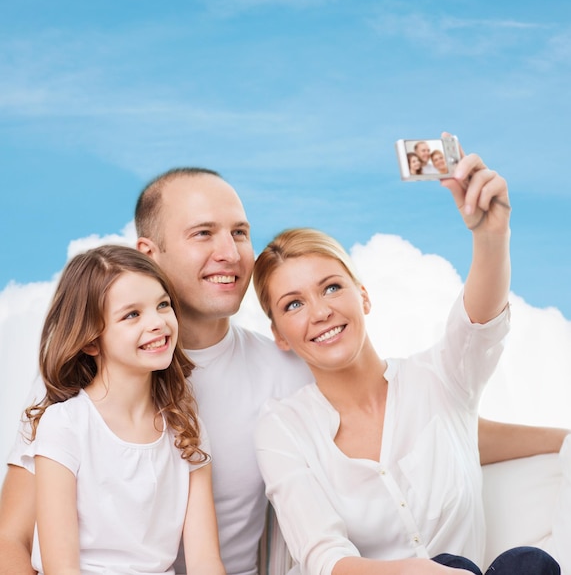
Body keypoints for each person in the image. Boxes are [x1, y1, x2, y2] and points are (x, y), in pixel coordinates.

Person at [0, 166, 568, 575]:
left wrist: (561, 439)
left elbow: (428, 425)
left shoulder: (287, 368)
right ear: (149, 253)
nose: (230, 251)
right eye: (203, 234)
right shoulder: (78, 389)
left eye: (240, 232)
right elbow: (11, 543)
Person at [252, 150, 561, 574]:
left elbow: (478, 323)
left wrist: (491, 236)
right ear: (279, 336)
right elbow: (325, 558)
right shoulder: (283, 428)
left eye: (331, 288)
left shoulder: (438, 380)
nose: (319, 312)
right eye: (293, 305)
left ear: (363, 296)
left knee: (527, 565)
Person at [21, 245, 224, 575]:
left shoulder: (187, 428)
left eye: (163, 305)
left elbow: (205, 561)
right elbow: (62, 568)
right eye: (132, 314)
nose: (157, 322)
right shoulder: (65, 426)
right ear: (90, 341)